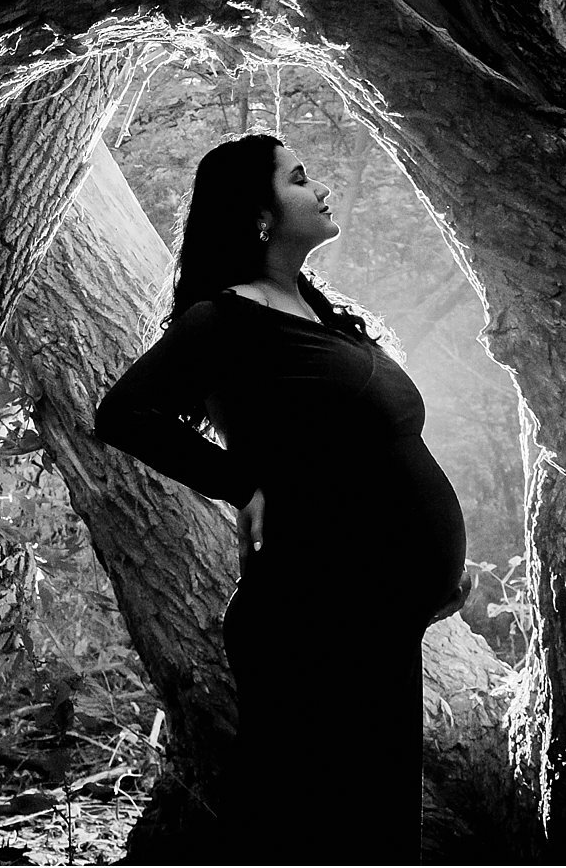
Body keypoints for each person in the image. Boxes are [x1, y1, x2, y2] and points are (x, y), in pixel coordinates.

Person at [94, 133, 470, 864]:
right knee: (310, 829)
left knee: (376, 826)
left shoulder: (321, 314)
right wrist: (242, 485)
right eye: (300, 178)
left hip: (371, 615)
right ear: (258, 214)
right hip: (312, 617)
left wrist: (428, 569)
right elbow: (123, 415)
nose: (319, 187)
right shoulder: (226, 320)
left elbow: (359, 459)